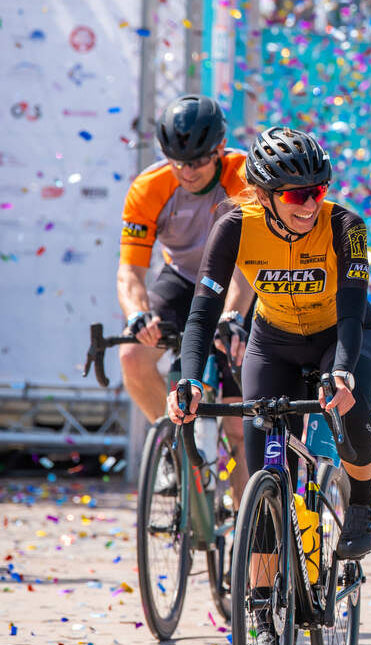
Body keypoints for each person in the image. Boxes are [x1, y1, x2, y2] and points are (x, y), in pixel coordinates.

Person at [165, 126, 371, 645]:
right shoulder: (233, 225)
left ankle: (361, 501)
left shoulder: (347, 226)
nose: (310, 203)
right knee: (266, 472)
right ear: (264, 195)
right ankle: (263, 621)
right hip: (274, 344)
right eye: (295, 194)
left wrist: (340, 372)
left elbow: (355, 309)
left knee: (351, 411)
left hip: (346, 336)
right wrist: (189, 379)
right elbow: (202, 314)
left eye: (318, 189)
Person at [117, 94, 252, 503]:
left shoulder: (245, 174)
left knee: (236, 422)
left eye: (196, 162)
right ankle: (174, 449)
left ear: (219, 151)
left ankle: (250, 525)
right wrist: (138, 315)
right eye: (177, 161)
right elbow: (130, 271)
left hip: (238, 281)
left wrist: (231, 317)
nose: (186, 171)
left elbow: (250, 265)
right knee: (131, 356)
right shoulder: (149, 187)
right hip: (183, 279)